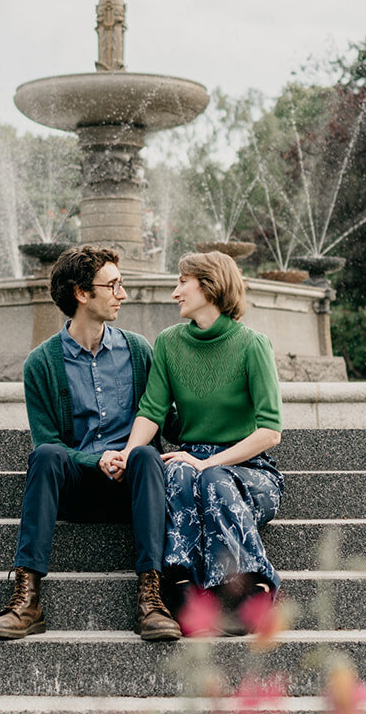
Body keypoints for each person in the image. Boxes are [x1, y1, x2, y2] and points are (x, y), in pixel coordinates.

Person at [0, 244, 181, 642]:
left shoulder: (139, 350)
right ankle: (27, 597)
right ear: (81, 293)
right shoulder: (42, 363)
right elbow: (48, 440)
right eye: (113, 285)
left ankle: (151, 596)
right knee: (46, 454)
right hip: (75, 489)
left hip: (134, 488)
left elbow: (165, 421)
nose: (122, 294)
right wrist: (96, 461)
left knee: (145, 453)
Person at [117, 250, 283, 632]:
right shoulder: (169, 343)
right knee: (176, 473)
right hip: (192, 462)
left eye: (182, 282)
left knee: (211, 478)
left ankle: (251, 590)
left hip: (250, 470)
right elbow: (152, 410)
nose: (175, 291)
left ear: (209, 286)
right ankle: (181, 589)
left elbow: (270, 431)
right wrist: (128, 453)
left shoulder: (252, 344)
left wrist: (211, 462)